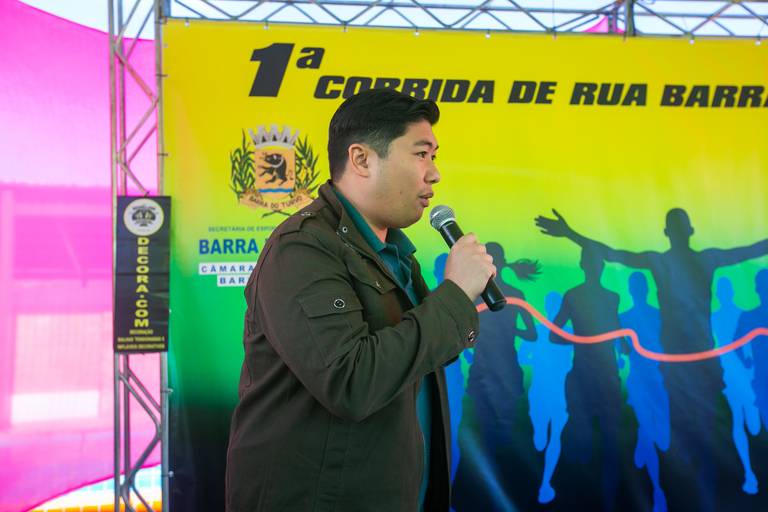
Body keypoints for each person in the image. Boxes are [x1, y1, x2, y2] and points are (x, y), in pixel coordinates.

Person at [225, 89, 497, 512]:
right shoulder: (302, 249)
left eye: (433, 156)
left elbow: (422, 354)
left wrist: (456, 303)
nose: (435, 173)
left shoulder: (393, 253)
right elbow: (351, 382)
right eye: (421, 154)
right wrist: (456, 295)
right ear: (362, 159)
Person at [534, 208, 768, 510]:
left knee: (689, 434)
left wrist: (571, 234)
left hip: (687, 366)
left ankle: (691, 497)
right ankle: (694, 498)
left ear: (668, 233)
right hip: (691, 365)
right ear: (689, 231)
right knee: (698, 434)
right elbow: (749, 251)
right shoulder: (699, 260)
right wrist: (570, 233)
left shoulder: (668, 262)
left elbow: (613, 254)